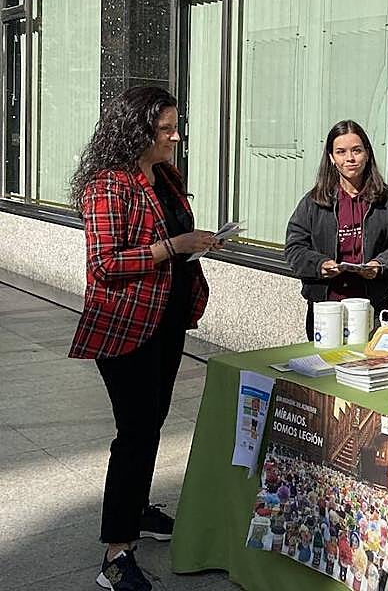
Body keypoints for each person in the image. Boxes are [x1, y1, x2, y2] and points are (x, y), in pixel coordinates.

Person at [69, 86, 220, 591]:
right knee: (135, 434)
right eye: (166, 129)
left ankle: (137, 510)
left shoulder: (165, 176)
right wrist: (173, 245)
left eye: (177, 125)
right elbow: (105, 263)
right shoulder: (108, 185)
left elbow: (171, 242)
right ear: (137, 131)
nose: (176, 136)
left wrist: (195, 246)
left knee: (152, 423)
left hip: (168, 320)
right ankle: (115, 554)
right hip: (126, 324)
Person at [285, 120, 388, 339]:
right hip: (326, 307)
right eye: (341, 152)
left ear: (367, 153)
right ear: (332, 158)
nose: (350, 158)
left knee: (370, 367)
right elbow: (294, 249)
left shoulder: (385, 200)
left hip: (372, 305)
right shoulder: (314, 201)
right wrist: (320, 265)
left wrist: (380, 266)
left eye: (356, 150)